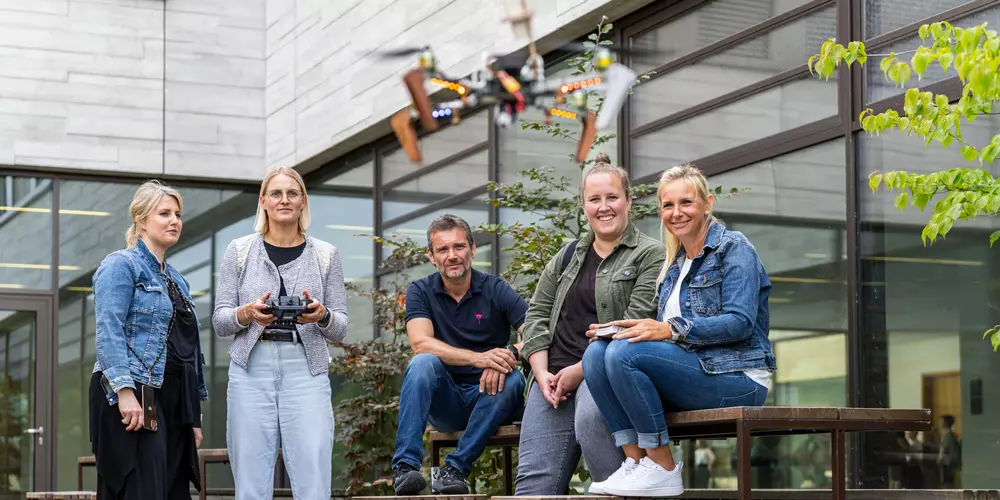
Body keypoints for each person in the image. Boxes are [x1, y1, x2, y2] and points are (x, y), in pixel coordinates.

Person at [582, 164, 775, 497]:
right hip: (694, 372)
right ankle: (637, 460)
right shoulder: (675, 264)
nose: (677, 213)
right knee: (597, 353)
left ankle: (663, 467)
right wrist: (621, 329)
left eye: (686, 202)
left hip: (737, 378)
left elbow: (740, 322)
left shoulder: (734, 248)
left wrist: (671, 329)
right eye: (668, 205)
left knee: (624, 352)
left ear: (707, 203)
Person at [515, 153, 665, 495]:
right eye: (594, 199)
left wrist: (578, 373)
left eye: (612, 197)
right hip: (551, 378)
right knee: (534, 485)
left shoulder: (649, 255)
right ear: (584, 206)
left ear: (629, 200)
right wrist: (542, 375)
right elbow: (536, 314)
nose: (604, 207)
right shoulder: (567, 256)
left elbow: (632, 327)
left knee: (609, 476)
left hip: (602, 375)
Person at [213, 166, 349, 500]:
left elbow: (341, 327)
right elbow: (220, 321)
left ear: (303, 201)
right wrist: (246, 314)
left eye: (292, 193)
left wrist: (322, 315)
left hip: (306, 369)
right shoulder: (240, 251)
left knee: (313, 476)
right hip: (250, 371)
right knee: (250, 479)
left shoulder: (325, 254)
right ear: (264, 201)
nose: (284, 199)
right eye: (276, 193)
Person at [392, 214, 529, 496]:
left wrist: (506, 355)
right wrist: (479, 359)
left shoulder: (495, 289)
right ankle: (405, 468)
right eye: (443, 249)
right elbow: (421, 343)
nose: (452, 256)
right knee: (422, 363)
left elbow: (536, 333)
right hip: (448, 402)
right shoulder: (420, 291)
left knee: (513, 379)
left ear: (472, 250)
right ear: (431, 256)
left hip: (493, 397)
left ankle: (455, 468)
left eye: (459, 247)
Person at [89, 180, 208, 500]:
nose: (174, 221)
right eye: (164, 213)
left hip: (172, 401)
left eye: (178, 214)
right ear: (141, 219)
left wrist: (192, 416)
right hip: (134, 392)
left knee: (172, 491)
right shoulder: (120, 265)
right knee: (141, 489)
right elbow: (108, 330)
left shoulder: (177, 280)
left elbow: (188, 350)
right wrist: (125, 392)